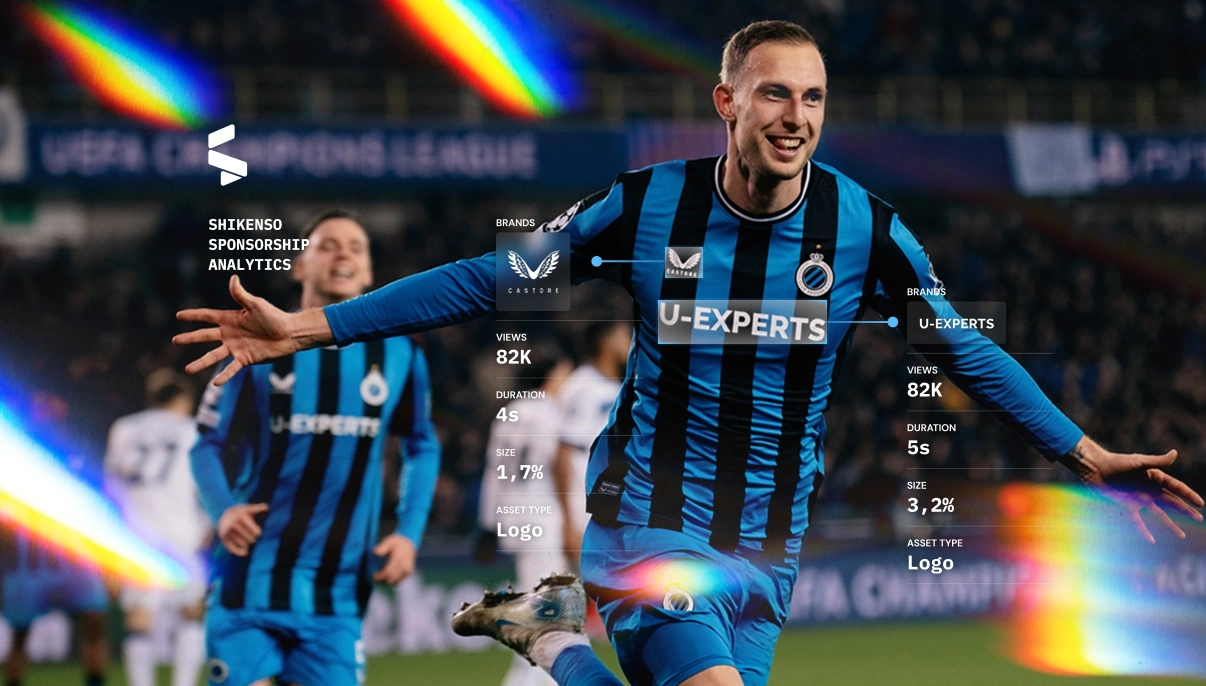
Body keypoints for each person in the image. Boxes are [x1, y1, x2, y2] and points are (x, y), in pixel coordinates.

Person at [175, 20, 1204, 686]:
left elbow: (966, 352)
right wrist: (307, 326)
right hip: (649, 523)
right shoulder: (643, 206)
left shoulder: (866, 228)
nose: (794, 118)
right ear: (727, 102)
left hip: (769, 547)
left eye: (812, 98)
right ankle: (560, 630)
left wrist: (1084, 451)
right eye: (773, 94)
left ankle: (551, 639)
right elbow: (492, 281)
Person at [188, 210, 441, 686]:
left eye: (356, 247)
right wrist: (222, 511)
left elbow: (422, 446)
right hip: (250, 578)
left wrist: (409, 532)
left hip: (336, 594)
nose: (343, 253)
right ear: (299, 266)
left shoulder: (400, 354)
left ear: (368, 272)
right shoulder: (255, 346)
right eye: (328, 244)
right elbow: (206, 444)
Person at [103, 369, 209, 686]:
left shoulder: (124, 428)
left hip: (137, 535)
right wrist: (208, 524)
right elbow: (206, 482)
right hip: (184, 532)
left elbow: (112, 486)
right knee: (191, 612)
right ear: (183, 400)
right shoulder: (193, 429)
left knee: (139, 618)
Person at [477, 348, 574, 686]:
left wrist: (487, 525)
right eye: (565, 374)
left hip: (515, 518)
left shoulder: (510, 412)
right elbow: (562, 467)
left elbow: (495, 472)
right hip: (544, 516)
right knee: (548, 617)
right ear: (552, 375)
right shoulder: (553, 414)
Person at [553, 322, 630, 571]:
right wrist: (568, 521)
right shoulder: (583, 386)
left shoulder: (616, 386)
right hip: (582, 508)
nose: (630, 343)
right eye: (624, 336)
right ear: (606, 342)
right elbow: (564, 455)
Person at [0, 527, 109, 686]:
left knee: (94, 623)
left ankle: (95, 682)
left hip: (74, 562)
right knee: (19, 636)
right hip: (28, 564)